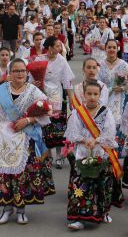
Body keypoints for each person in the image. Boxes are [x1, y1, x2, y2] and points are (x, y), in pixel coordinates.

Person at [0, 59, 49, 225]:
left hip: (25, 138)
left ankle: (21, 209)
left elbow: (45, 113)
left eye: (23, 71)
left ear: (27, 73)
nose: (20, 74)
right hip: (3, 138)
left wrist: (28, 120)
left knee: (22, 176)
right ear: (9, 73)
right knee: (3, 175)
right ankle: (6, 208)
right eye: (16, 71)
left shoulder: (34, 92)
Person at [65, 81, 121, 230]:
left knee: (102, 185)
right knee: (81, 185)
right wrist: (84, 140)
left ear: (100, 95)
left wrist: (96, 141)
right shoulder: (77, 112)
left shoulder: (106, 112)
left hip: (101, 152)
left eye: (95, 94)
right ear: (84, 95)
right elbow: (72, 133)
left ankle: (103, 212)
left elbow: (110, 133)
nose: (92, 97)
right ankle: (79, 218)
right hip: (82, 153)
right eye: (89, 93)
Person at [33, 37, 75, 170]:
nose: (60, 48)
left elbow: (67, 82)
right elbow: (30, 79)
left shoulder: (62, 61)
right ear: (50, 48)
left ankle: (59, 156)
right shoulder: (39, 59)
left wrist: (71, 100)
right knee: (44, 128)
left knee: (58, 129)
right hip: (41, 96)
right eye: (57, 46)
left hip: (57, 96)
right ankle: (47, 156)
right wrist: (34, 84)